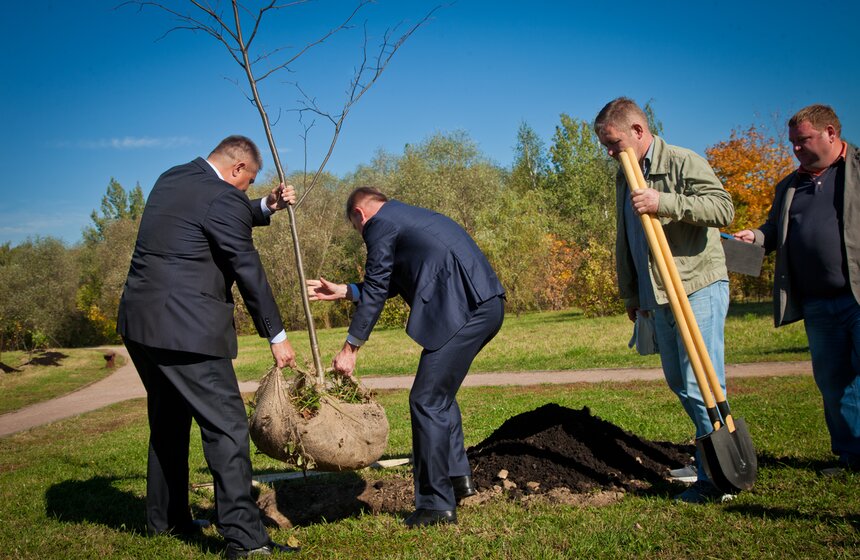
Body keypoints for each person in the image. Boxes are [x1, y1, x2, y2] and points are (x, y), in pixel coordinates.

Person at [117, 135, 300, 557]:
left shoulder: (174, 178)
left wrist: (265, 207)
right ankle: (245, 539)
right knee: (226, 426)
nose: (247, 192)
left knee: (169, 420)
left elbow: (216, 213)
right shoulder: (223, 197)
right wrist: (276, 334)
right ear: (237, 169)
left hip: (140, 324)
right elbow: (247, 269)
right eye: (249, 182)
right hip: (186, 329)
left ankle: (166, 521)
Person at [306, 187, 505, 527]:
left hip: (463, 310)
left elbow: (379, 289)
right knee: (439, 396)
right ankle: (458, 480)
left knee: (426, 400)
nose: (362, 234)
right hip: (483, 305)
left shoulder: (379, 225)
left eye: (357, 229)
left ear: (359, 215)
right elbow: (389, 282)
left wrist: (350, 348)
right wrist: (344, 291)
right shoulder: (408, 217)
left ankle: (435, 506)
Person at [594, 97, 736, 503]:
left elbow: (722, 208)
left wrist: (664, 203)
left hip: (697, 285)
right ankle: (712, 456)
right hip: (658, 295)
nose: (609, 152)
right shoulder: (626, 173)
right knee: (679, 381)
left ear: (638, 131)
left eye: (613, 142)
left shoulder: (681, 161)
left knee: (702, 381)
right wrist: (633, 294)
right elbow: (629, 239)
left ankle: (718, 478)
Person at [734, 104, 860, 473]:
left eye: (803, 140)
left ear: (831, 133)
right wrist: (755, 237)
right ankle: (852, 457)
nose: (796, 149)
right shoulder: (790, 185)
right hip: (819, 303)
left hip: (856, 297)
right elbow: (773, 229)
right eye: (792, 143)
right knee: (834, 383)